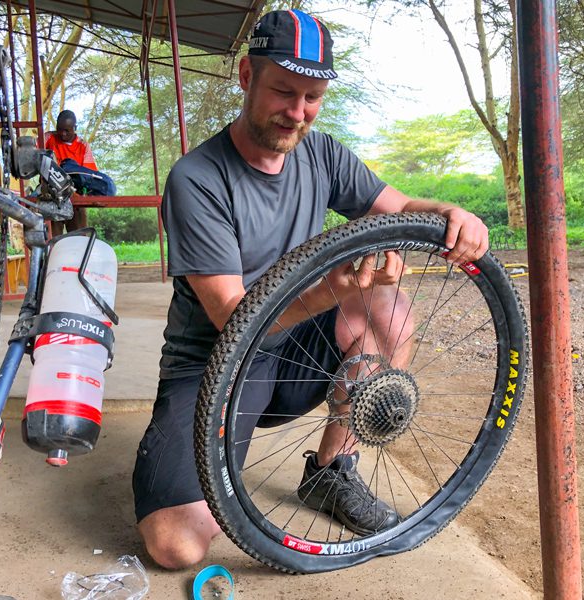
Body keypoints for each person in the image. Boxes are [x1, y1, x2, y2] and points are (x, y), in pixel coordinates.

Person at [132, 9, 490, 570]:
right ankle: (185, 458)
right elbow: (232, 320)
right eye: (283, 91)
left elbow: (398, 209)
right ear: (247, 77)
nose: (297, 112)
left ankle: (331, 472)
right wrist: (328, 289)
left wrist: (449, 212)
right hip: (216, 366)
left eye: (312, 97)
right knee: (175, 546)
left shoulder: (322, 153)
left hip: (296, 349)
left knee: (387, 311)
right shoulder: (197, 179)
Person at [44, 110, 116, 234]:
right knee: (53, 241)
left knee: (80, 239)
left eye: (67, 130)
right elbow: (35, 155)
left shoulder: (83, 146)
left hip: (75, 200)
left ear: (75, 128)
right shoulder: (48, 138)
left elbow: (88, 176)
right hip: (53, 198)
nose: (62, 133)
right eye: (60, 129)